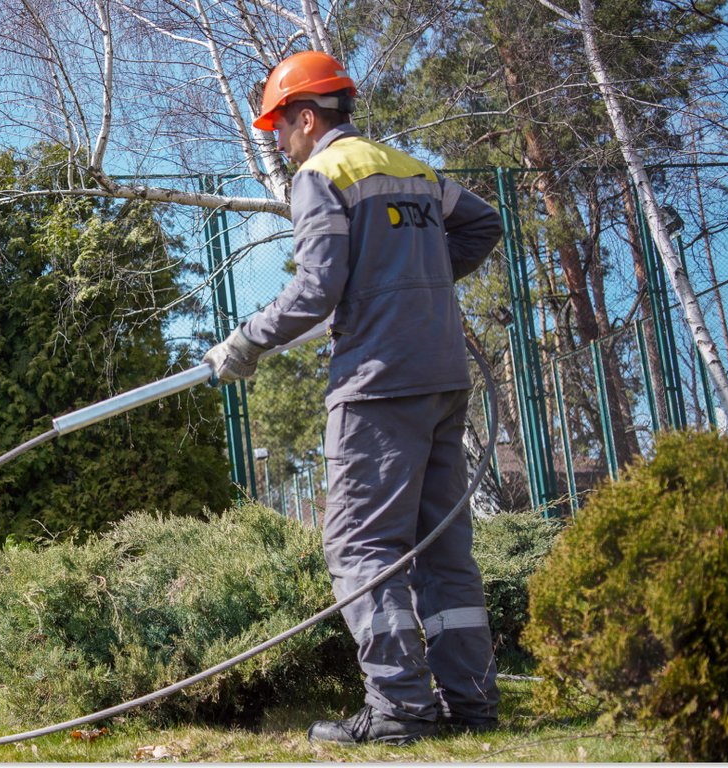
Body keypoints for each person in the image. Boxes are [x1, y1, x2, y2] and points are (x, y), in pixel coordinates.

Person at [203, 51, 505, 745]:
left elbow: (315, 289)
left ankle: (399, 708)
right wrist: (417, 280)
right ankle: (470, 702)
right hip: (441, 375)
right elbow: (482, 224)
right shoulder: (410, 167)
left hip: (377, 381)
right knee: (442, 547)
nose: (278, 144)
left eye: (280, 128)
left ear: (307, 118)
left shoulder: (321, 176)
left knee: (360, 546)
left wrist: (244, 342)